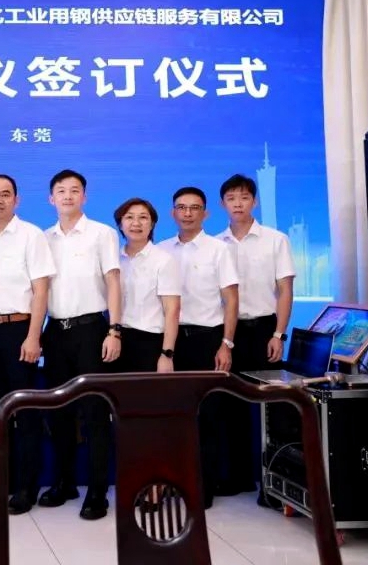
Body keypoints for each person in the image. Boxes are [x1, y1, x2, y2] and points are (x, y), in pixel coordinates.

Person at [0, 174, 55, 515]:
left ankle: (25, 487)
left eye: (5, 194)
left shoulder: (31, 235)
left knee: (24, 412)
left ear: (16, 200)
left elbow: (41, 290)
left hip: (20, 330)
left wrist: (34, 335)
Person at [40, 169, 122, 521]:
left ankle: (98, 491)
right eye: (61, 191)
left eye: (75, 190)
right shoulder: (43, 238)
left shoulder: (102, 234)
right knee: (59, 413)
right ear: (51, 198)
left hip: (92, 330)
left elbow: (113, 281)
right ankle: (64, 482)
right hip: (56, 332)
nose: (68, 196)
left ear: (84, 197)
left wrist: (114, 330)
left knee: (94, 414)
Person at [157, 186, 239, 509]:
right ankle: (173, 482)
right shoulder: (162, 250)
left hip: (208, 339)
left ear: (205, 213)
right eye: (182, 207)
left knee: (208, 416)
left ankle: (203, 487)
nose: (188, 213)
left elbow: (231, 300)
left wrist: (226, 343)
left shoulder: (219, 250)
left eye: (194, 208)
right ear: (172, 213)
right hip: (171, 341)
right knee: (173, 417)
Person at [216, 174, 296, 498]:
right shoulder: (215, 244)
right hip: (227, 332)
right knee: (231, 406)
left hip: (264, 330)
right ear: (222, 204)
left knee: (271, 408)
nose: (238, 204)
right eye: (231, 198)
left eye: (244, 197)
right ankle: (239, 478)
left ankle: (274, 483)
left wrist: (279, 333)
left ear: (255, 201)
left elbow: (285, 290)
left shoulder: (275, 240)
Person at [113, 197, 181, 373]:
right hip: (115, 339)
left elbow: (172, 310)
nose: (136, 223)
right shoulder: (113, 259)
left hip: (149, 342)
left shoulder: (163, 260)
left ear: (152, 224)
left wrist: (167, 354)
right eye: (129, 217)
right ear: (120, 224)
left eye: (143, 217)